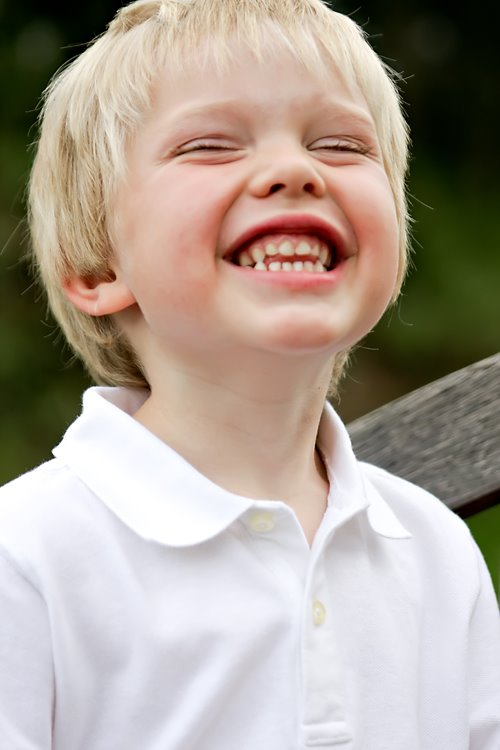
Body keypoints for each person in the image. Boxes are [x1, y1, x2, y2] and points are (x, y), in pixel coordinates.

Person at [1, 0, 499, 747]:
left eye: (339, 144)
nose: (294, 170)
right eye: (209, 145)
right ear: (98, 265)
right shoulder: (27, 556)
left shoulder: (435, 550)